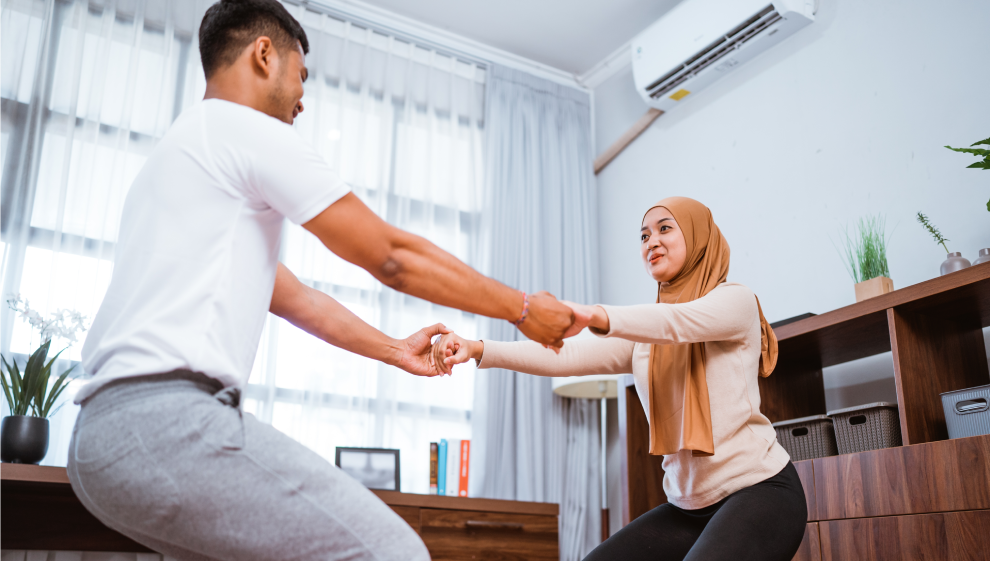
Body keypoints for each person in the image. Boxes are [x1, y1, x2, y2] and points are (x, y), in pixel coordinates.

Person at [66, 1, 575, 560]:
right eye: (301, 76)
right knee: (394, 553)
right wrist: (522, 308)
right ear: (264, 55)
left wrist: (391, 350)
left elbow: (296, 298)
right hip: (165, 423)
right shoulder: (243, 128)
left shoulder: (183, 155)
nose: (303, 99)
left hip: (101, 444)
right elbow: (390, 256)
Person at [433, 197, 808, 561]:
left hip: (761, 492)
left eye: (665, 229)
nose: (652, 242)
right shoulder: (646, 340)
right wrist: (478, 348)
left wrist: (595, 314)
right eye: (644, 236)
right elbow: (567, 355)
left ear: (697, 238)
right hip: (688, 509)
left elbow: (676, 323)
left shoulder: (734, 301)